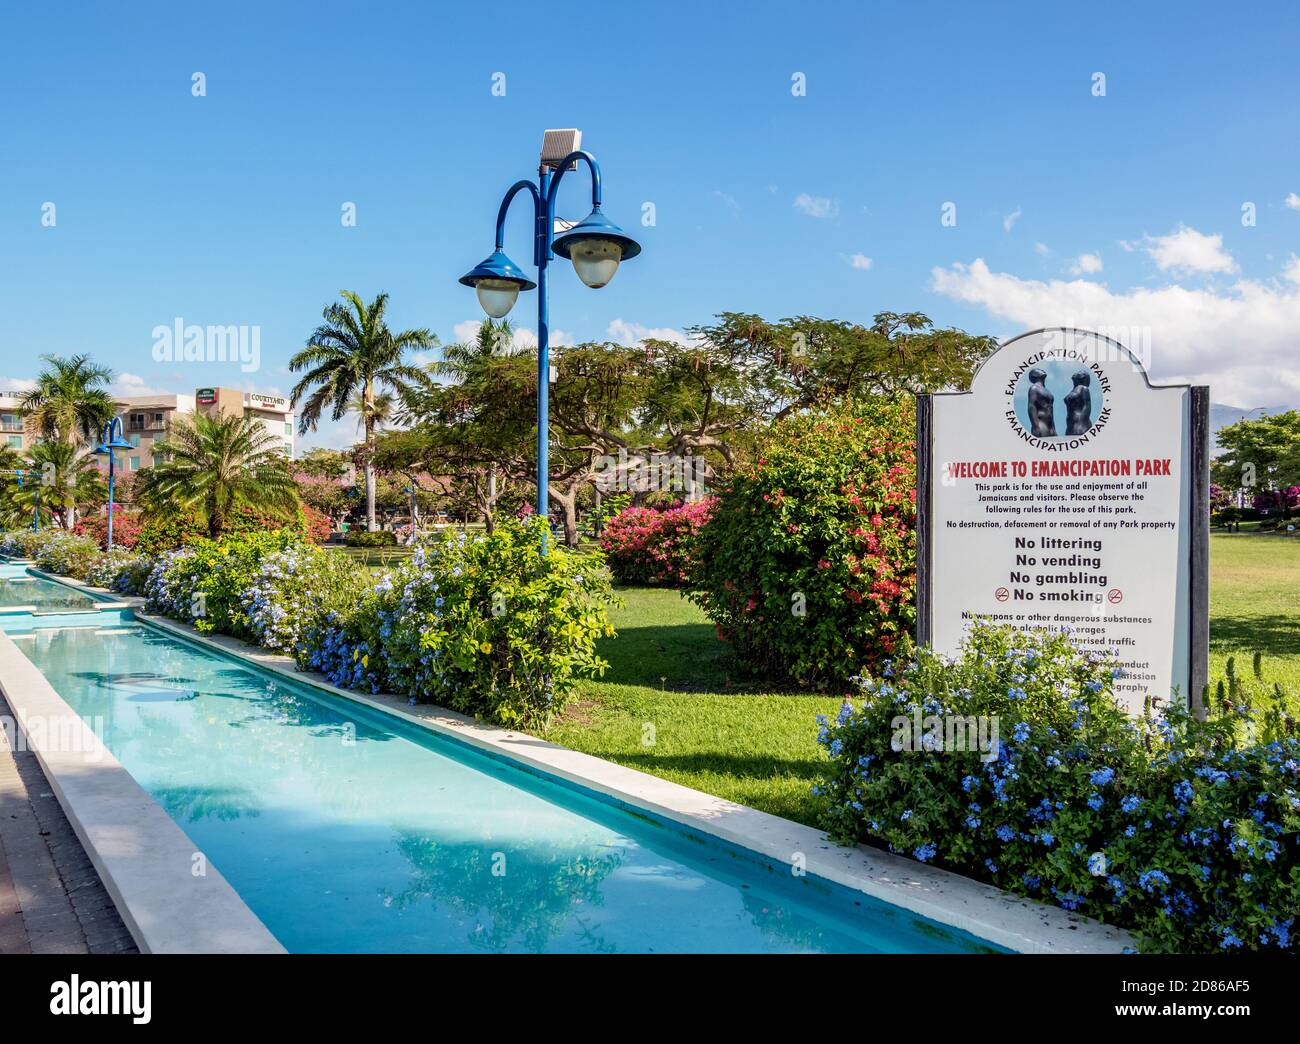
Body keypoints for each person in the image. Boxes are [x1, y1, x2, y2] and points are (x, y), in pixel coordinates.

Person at [1026, 368, 1056, 437]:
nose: (1042, 370)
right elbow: (1031, 406)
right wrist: (1035, 427)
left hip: (1050, 426)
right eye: (1039, 370)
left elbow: (1050, 410)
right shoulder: (1034, 388)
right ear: (1034, 375)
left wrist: (1053, 428)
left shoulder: (1046, 390)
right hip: (1040, 425)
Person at [1064, 371, 1093, 436]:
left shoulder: (1084, 388)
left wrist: (1081, 424)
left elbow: (1087, 407)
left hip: (1080, 425)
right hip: (1071, 426)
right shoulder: (1074, 389)